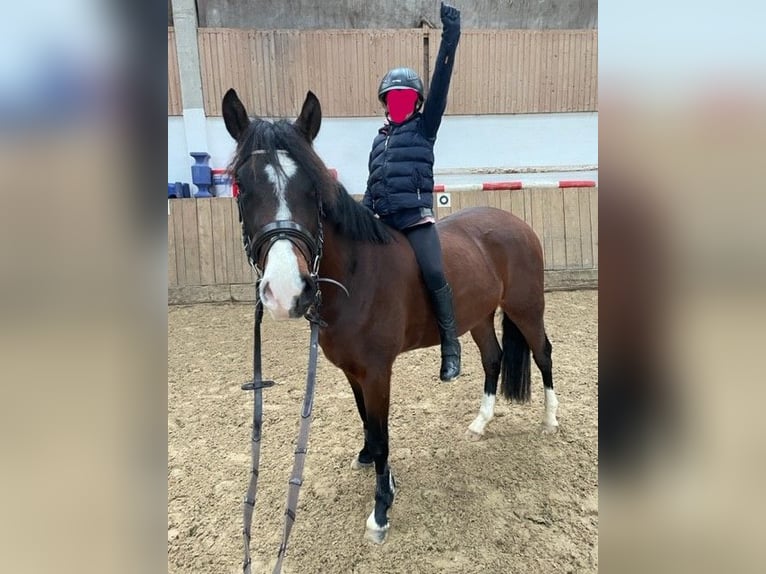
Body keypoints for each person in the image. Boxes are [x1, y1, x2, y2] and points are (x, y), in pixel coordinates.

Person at [362, 2, 462, 382]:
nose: (398, 104)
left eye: (405, 99)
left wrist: (451, 35)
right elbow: (372, 189)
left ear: (416, 103)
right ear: (386, 105)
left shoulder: (424, 128)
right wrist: (360, 214)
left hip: (415, 220)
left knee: (435, 271)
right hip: (382, 223)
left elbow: (441, 81)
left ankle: (451, 344)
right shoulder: (378, 141)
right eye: (393, 99)